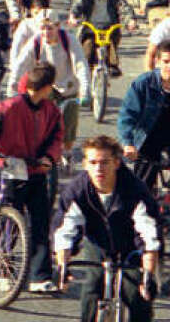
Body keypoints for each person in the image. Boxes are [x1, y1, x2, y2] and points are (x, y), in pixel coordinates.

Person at [0, 62, 63, 292]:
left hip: (36, 168)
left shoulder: (51, 111)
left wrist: (50, 158)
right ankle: (2, 270)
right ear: (47, 87)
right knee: (8, 219)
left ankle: (40, 275)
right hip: (12, 165)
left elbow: (56, 138)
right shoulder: (10, 107)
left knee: (41, 222)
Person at [54, 135, 162, 322]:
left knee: (136, 294)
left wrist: (149, 275)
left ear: (117, 163)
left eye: (105, 162)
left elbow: (149, 235)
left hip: (131, 245)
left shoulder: (135, 190)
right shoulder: (76, 191)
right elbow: (65, 230)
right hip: (98, 242)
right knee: (92, 287)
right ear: (85, 164)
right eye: (93, 162)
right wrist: (62, 268)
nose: (98, 169)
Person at [118, 40, 170, 203]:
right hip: (148, 133)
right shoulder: (143, 84)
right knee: (142, 182)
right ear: (158, 62)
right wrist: (128, 143)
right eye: (166, 61)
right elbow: (127, 115)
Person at [9, 9, 89, 161]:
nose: (46, 32)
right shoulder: (36, 41)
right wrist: (12, 86)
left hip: (68, 85)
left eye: (50, 28)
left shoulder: (69, 40)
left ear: (58, 26)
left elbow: (81, 65)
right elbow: (20, 64)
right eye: (43, 28)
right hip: (46, 87)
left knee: (69, 123)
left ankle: (67, 151)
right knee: (41, 122)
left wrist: (85, 90)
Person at [70, 0, 136, 79]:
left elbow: (124, 8)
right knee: (88, 48)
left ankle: (112, 66)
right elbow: (79, 5)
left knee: (111, 47)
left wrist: (130, 20)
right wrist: (73, 16)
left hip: (109, 28)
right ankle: (85, 70)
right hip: (91, 28)